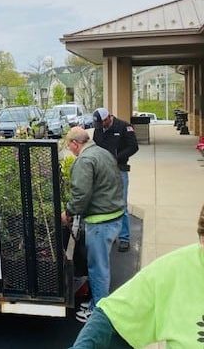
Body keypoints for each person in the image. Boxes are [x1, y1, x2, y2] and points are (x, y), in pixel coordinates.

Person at [71, 203, 204, 348]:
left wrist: (71, 209)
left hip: (102, 218)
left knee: (99, 269)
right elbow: (112, 315)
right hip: (110, 216)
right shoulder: (177, 269)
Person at [62, 127, 124, 323]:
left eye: (69, 147)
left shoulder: (85, 160)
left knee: (98, 267)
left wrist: (69, 212)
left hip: (100, 220)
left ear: (75, 143)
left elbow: (81, 195)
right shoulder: (102, 152)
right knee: (102, 264)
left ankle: (98, 312)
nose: (70, 151)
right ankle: (98, 302)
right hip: (114, 215)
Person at [92, 107, 138, 253]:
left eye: (102, 123)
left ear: (108, 118)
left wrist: (115, 157)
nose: (100, 127)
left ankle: (124, 238)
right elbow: (95, 145)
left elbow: (133, 147)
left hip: (119, 171)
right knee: (106, 204)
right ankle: (112, 236)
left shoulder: (124, 127)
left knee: (121, 205)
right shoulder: (99, 129)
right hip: (102, 172)